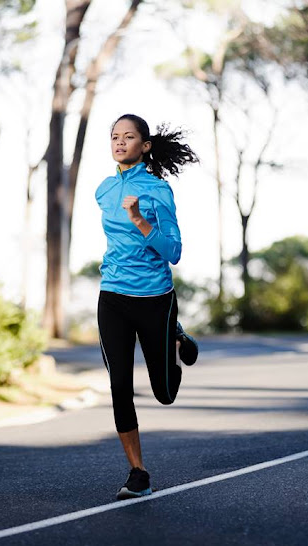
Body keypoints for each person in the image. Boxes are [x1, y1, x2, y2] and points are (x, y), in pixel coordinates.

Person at [96, 113, 199, 500]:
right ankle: (138, 472)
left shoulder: (158, 190)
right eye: (114, 137)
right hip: (113, 296)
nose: (120, 143)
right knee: (119, 385)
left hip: (155, 299)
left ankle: (176, 335)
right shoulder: (103, 190)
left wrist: (139, 219)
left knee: (165, 392)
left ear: (145, 145)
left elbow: (173, 251)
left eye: (128, 137)